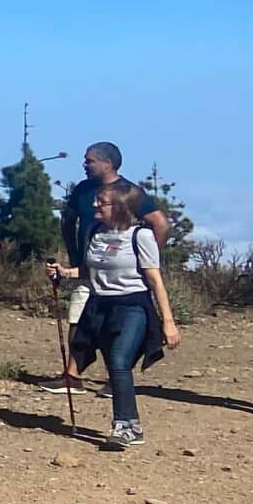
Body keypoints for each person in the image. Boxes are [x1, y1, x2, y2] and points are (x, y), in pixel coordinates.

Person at [46, 180, 181, 449]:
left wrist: (168, 322)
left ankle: (126, 425)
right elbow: (89, 270)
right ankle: (129, 424)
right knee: (111, 361)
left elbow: (155, 280)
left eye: (102, 202)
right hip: (99, 306)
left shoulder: (139, 236)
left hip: (133, 306)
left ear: (120, 207)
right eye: (96, 200)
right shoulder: (96, 232)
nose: (95, 204)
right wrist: (63, 272)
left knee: (119, 361)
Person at [46, 142, 174, 395]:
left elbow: (160, 224)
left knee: (117, 326)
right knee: (78, 318)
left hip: (122, 276)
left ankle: (115, 378)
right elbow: (68, 220)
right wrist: (74, 256)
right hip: (89, 266)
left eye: (90, 160)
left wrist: (144, 258)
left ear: (107, 163)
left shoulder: (128, 192)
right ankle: (72, 376)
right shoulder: (83, 190)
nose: (85, 164)